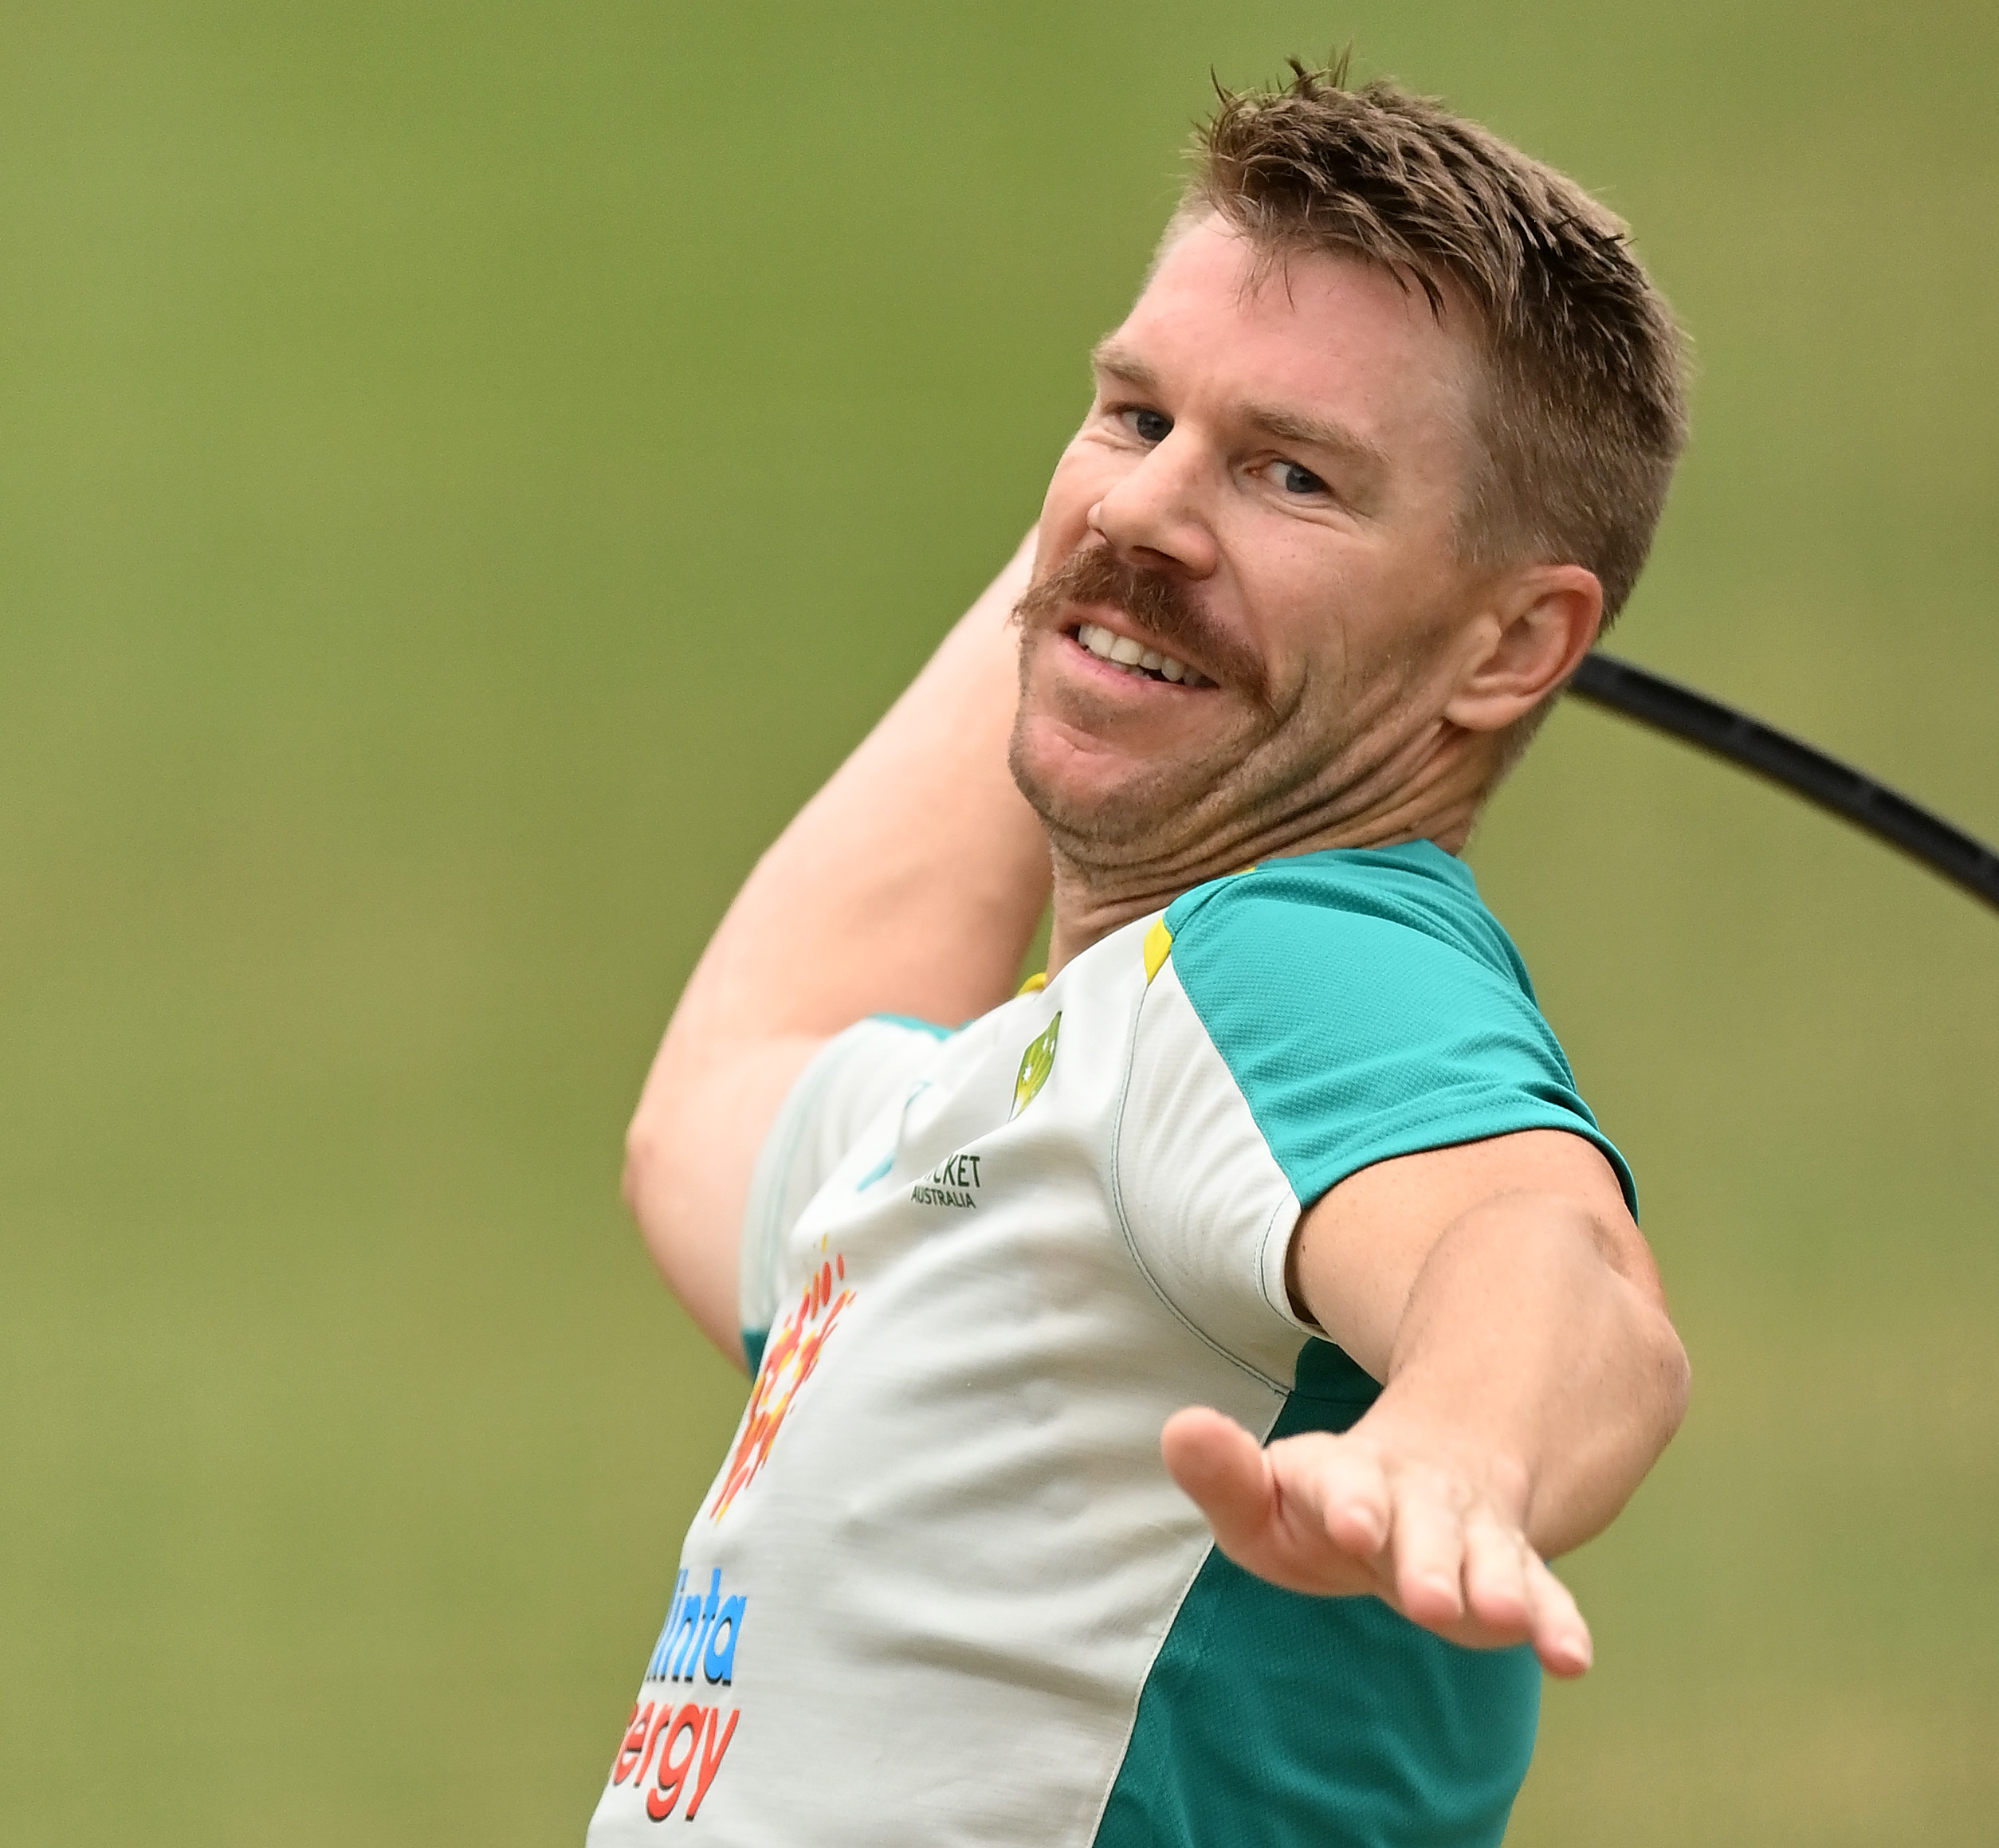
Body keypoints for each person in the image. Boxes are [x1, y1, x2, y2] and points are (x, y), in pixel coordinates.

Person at [593, 60, 1693, 1846]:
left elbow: (1559, 1270)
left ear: (1511, 647)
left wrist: (1456, 1448)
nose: (1151, 499)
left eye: (1295, 473)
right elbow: (725, 1094)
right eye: (1129, 410)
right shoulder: (1063, 1075)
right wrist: (1113, 562)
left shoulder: (1294, 964)